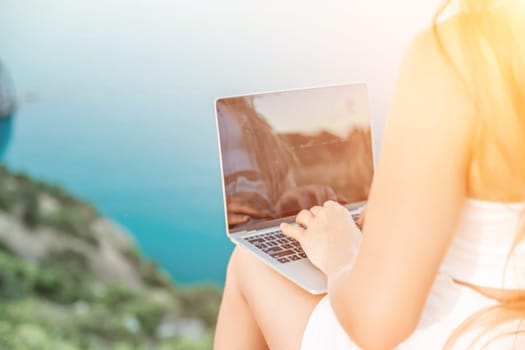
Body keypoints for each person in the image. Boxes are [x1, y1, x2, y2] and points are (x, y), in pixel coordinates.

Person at [214, 0, 525, 348]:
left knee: (251, 264)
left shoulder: (460, 55)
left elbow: (377, 327)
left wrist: (341, 253)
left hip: (479, 332)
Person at [217, 96, 337, 228]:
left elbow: (276, 201)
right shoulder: (212, 112)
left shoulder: (262, 130)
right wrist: (213, 211)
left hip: (266, 229)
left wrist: (287, 203)